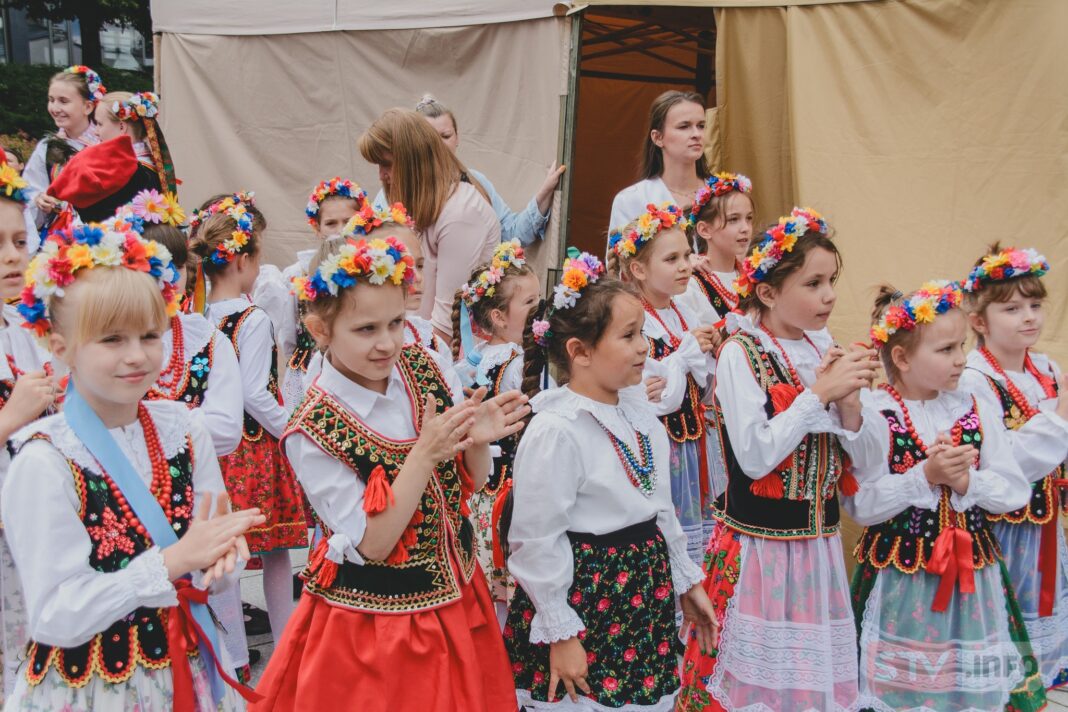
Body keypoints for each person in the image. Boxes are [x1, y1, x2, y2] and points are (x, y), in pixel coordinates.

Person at [253, 236, 528, 711]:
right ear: (320, 329)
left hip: (460, 596)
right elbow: (374, 544)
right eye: (366, 329)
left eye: (397, 322)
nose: (388, 343)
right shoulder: (313, 429)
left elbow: (470, 482)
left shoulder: (420, 366)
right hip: (384, 627)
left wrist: (476, 442)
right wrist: (425, 453)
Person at [3, 223, 263, 711]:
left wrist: (222, 562)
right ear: (59, 347)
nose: (137, 356)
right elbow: (56, 614)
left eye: (150, 335)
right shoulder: (45, 459)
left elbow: (217, 550)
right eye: (111, 339)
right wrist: (174, 562)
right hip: (98, 688)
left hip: (193, 665)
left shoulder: (184, 430)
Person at [676, 208, 882, 711]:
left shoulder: (825, 348)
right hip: (759, 554)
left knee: (808, 685)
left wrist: (850, 405)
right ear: (767, 293)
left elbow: (871, 459)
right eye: (813, 283)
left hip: (818, 552)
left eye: (831, 280)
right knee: (755, 682)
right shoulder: (740, 353)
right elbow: (754, 456)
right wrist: (818, 395)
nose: (829, 295)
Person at [503, 252, 716, 710]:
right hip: (589, 597)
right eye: (629, 336)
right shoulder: (557, 428)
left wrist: (686, 581)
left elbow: (660, 507)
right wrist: (560, 631)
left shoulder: (638, 413)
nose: (644, 347)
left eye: (642, 333)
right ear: (579, 352)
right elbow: (537, 539)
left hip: (641, 593)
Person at [848, 280, 1046, 711]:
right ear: (900, 358)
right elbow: (861, 504)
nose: (961, 359)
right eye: (945, 350)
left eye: (962, 345)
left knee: (968, 680)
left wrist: (966, 483)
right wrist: (924, 475)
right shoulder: (877, 413)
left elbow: (1012, 488)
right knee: (907, 687)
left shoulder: (973, 404)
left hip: (974, 575)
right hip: (901, 577)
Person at [192, 193, 307, 645]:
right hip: (255, 447)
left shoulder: (197, 318)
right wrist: (293, 427)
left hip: (217, 451)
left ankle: (234, 651)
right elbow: (254, 391)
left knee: (226, 553)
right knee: (276, 553)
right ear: (242, 260)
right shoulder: (252, 319)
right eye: (258, 258)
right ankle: (284, 643)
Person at [959, 245, 1068, 691]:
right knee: (1005, 596)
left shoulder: (1047, 368)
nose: (1030, 317)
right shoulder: (973, 377)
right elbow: (1001, 458)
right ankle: (1006, 680)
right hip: (998, 520)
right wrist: (1058, 417)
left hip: (1044, 517)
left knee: (1047, 589)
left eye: (1035, 305)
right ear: (979, 321)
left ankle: (1045, 666)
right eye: (1012, 308)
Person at [609, 203, 720, 563]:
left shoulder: (685, 311)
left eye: (687, 255)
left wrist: (682, 366)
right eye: (672, 259)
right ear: (638, 269)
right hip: (661, 447)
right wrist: (682, 360)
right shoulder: (635, 319)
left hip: (694, 444)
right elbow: (648, 397)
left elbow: (693, 386)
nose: (686, 265)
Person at [448, 240, 540, 621]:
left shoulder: (477, 358)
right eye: (530, 303)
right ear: (500, 317)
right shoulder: (518, 363)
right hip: (510, 487)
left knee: (491, 588)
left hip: (485, 489)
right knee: (512, 589)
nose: (539, 310)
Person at [359, 108, 500, 342]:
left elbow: (446, 324)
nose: (382, 175)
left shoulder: (461, 212)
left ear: (412, 162)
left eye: (386, 164)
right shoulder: (422, 204)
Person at [0, 166, 55, 699]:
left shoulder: (23, 326)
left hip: (28, 519)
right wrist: (11, 418)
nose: (14, 256)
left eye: (20, 240)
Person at [392, 94, 564, 246]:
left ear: (457, 137)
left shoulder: (476, 182)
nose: (439, 145)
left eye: (446, 136)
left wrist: (545, 193)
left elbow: (512, 235)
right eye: (431, 138)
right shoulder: (400, 187)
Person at [277, 177, 366, 410]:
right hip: (308, 369)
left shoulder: (369, 269)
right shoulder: (297, 273)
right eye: (331, 223)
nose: (339, 230)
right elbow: (288, 334)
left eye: (348, 221)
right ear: (317, 228)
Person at [608, 91, 710, 243]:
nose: (696, 134)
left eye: (701, 126)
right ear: (657, 137)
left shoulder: (722, 195)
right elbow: (619, 264)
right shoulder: (632, 199)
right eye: (684, 126)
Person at [23, 66, 103, 234]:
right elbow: (30, 188)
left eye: (63, 101)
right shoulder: (47, 147)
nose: (55, 108)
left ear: (88, 107)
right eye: (51, 100)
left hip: (102, 232)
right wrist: (39, 199)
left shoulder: (105, 144)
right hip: (59, 236)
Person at [677, 172, 754, 325]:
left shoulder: (754, 276)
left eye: (749, 218)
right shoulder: (691, 286)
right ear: (705, 230)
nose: (745, 228)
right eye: (733, 219)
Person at [94, 91, 178, 194]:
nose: (95, 132)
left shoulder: (135, 172)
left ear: (121, 127)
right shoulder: (142, 167)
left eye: (99, 124)